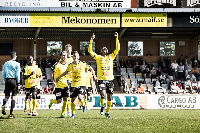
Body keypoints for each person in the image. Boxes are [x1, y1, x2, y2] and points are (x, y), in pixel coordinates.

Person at [88, 32, 120, 119]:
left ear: (107, 51)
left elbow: (117, 49)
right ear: (101, 51)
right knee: (102, 95)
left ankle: (108, 112)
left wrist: (116, 38)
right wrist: (91, 40)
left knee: (109, 97)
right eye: (103, 48)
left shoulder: (111, 57)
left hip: (110, 80)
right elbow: (90, 51)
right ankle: (102, 106)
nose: (104, 49)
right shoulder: (98, 57)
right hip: (101, 80)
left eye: (105, 48)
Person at [56, 51, 96, 118]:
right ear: (72, 57)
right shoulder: (71, 65)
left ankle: (83, 104)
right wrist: (59, 77)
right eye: (74, 56)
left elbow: (91, 68)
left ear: (78, 57)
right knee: (73, 100)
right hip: (73, 84)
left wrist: (94, 76)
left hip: (82, 84)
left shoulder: (83, 64)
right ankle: (73, 113)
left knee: (80, 96)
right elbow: (66, 72)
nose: (75, 57)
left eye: (76, 56)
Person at [49, 51, 71, 118]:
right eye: (63, 55)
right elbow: (51, 73)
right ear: (60, 56)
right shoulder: (57, 64)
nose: (64, 57)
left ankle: (63, 113)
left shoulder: (68, 65)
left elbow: (70, 74)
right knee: (59, 101)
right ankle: (52, 101)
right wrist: (53, 81)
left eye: (65, 55)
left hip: (65, 85)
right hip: (58, 86)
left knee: (66, 99)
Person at [1, 51, 21, 118]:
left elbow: (3, 73)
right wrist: (18, 82)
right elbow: (17, 74)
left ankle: (3, 105)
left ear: (10, 57)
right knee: (13, 97)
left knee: (6, 96)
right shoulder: (17, 64)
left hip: (7, 80)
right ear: (15, 56)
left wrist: (5, 80)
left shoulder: (6, 63)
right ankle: (11, 114)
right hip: (14, 80)